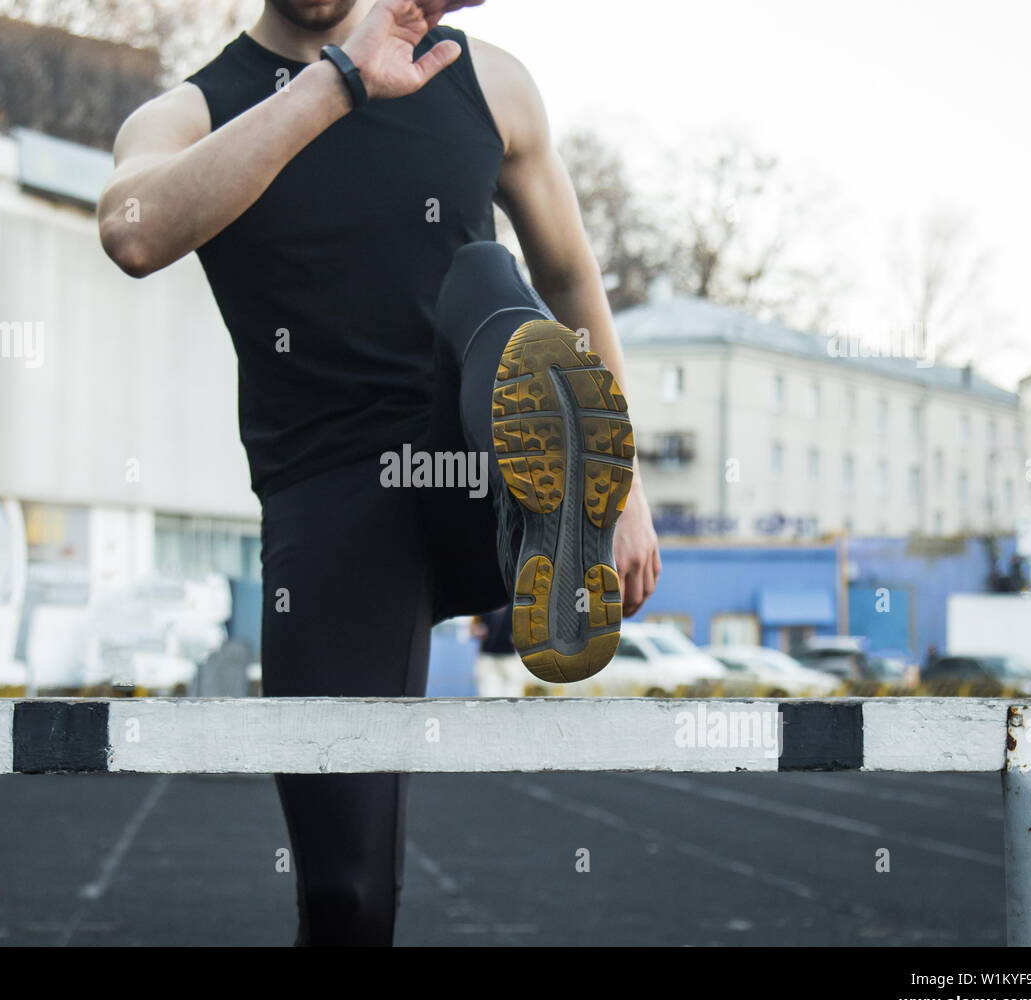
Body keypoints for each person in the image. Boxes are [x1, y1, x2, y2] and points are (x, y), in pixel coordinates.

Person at [99, 0, 661, 946]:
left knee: (489, 272)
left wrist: (631, 486)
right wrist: (342, 81)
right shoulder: (191, 114)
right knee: (346, 900)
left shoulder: (485, 78)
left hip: (477, 465)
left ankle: (558, 509)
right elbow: (133, 232)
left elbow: (568, 276)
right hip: (335, 509)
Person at [471, 606, 523, 697]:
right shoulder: (481, 607)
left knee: (513, 693)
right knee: (487, 693)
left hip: (509, 657)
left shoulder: (516, 609)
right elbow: (472, 629)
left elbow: (523, 632)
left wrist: (519, 639)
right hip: (488, 657)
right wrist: (478, 631)